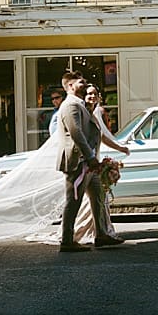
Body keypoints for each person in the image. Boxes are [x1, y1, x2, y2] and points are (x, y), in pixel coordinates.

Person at [54, 68, 121, 252]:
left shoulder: (81, 104)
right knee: (73, 201)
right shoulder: (70, 106)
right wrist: (91, 157)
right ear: (70, 86)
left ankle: (101, 234)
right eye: (81, 83)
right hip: (78, 162)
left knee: (98, 196)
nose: (84, 85)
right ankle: (67, 241)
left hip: (89, 162)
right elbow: (77, 133)